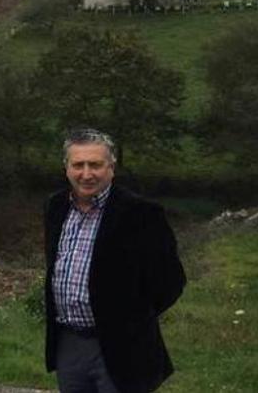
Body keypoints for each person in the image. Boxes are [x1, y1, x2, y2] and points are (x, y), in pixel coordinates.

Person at [43, 128, 186, 393]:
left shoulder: (142, 214)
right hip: (69, 343)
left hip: (123, 346)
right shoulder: (55, 207)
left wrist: (131, 320)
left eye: (95, 165)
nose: (86, 174)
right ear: (66, 168)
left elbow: (171, 282)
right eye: (78, 165)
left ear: (111, 168)